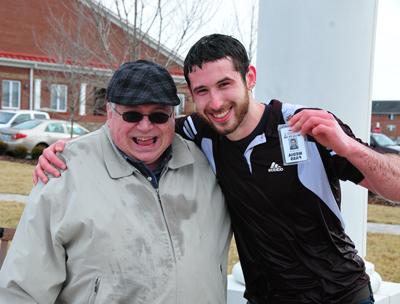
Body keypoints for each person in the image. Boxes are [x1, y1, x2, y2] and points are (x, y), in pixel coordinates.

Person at [33, 34, 397, 303]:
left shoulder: (304, 125)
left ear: (249, 77)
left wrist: (349, 147)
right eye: (202, 91)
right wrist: (68, 149)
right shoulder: (198, 131)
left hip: (341, 295)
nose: (216, 102)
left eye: (225, 84)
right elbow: (137, 128)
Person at [0, 60, 231, 303]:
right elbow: (21, 290)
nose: (145, 126)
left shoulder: (207, 163)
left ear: (174, 116)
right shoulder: (64, 172)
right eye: (132, 114)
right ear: (110, 114)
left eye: (159, 115)